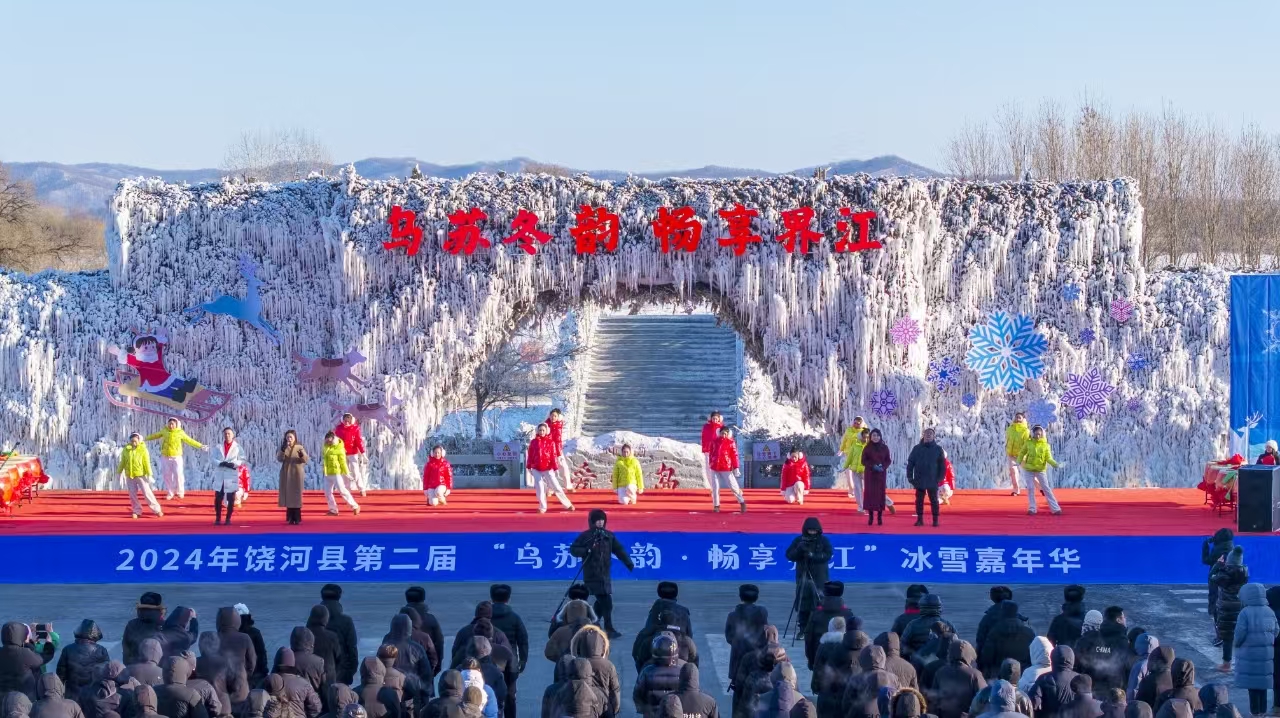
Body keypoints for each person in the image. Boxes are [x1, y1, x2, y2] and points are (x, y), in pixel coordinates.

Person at [569, 509, 634, 638]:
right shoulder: (586, 536)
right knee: (607, 602)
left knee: (601, 603)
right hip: (592, 575)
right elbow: (573, 549)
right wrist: (585, 550)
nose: (600, 522)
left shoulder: (608, 536)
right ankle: (608, 628)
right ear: (592, 522)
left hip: (605, 575)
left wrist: (628, 562)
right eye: (597, 520)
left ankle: (589, 625)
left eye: (602, 520)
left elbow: (619, 550)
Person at [1232, 583, 1278, 717]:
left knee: (1252, 687)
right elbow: (1276, 630)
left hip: (1249, 655)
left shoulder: (1244, 612)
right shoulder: (1269, 611)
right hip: (1266, 655)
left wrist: (1237, 644)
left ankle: (1255, 713)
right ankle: (1263, 712)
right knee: (1263, 685)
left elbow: (1240, 634)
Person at [785, 517, 832, 636]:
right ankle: (802, 629)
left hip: (819, 577)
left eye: (814, 531)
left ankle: (819, 628)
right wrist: (799, 551)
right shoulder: (799, 540)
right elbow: (789, 555)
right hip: (803, 576)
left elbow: (828, 554)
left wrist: (813, 556)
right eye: (810, 530)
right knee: (803, 603)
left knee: (819, 602)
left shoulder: (823, 541)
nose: (812, 533)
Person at [145, 417, 207, 501]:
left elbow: (189, 440)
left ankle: (180, 491)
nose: (171, 425)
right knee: (167, 475)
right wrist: (145, 438)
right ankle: (170, 492)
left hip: (176, 457)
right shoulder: (164, 431)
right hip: (165, 456)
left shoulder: (180, 432)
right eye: (169, 423)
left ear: (176, 424)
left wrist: (200, 446)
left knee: (178, 474)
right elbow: (155, 435)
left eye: (172, 424)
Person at [1210, 547, 1248, 669]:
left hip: (1226, 609)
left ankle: (1226, 664)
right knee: (1242, 635)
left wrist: (1218, 564)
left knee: (1227, 637)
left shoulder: (1224, 574)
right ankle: (1243, 663)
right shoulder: (1245, 572)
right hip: (1240, 606)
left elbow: (1212, 577)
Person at [527, 423, 574, 514]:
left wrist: (555, 468)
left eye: (543, 430)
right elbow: (530, 455)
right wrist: (529, 466)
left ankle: (567, 504)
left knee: (556, 487)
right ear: (537, 431)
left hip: (548, 468)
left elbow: (553, 456)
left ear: (546, 431)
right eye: (540, 430)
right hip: (536, 468)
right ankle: (542, 507)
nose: (541, 432)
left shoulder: (551, 442)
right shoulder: (533, 442)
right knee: (540, 488)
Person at [55, 620, 108, 698]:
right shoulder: (101, 650)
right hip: (94, 694)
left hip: (72, 693)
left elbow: (61, 673)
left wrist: (60, 693)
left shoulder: (68, 649)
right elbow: (107, 673)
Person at [1018, 425, 1063, 515]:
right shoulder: (1028, 443)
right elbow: (1022, 452)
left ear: (1042, 434)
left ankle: (1055, 509)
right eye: (1036, 434)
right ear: (1032, 434)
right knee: (1030, 488)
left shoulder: (1046, 445)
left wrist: (1055, 464)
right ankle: (1032, 508)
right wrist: (1018, 461)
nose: (1037, 436)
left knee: (1046, 488)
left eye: (1039, 434)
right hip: (1029, 469)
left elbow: (1048, 458)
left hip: (1040, 469)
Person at [905, 428, 946, 527]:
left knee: (934, 500)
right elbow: (910, 463)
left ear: (933, 436)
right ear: (923, 435)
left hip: (933, 479)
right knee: (919, 500)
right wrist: (910, 478)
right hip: (919, 479)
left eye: (930, 434)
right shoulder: (917, 449)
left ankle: (935, 520)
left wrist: (939, 478)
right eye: (926, 433)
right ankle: (919, 519)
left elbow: (942, 466)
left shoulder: (938, 449)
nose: (928, 435)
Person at [318, 586, 358, 685]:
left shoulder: (314, 620)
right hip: (341, 673)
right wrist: (350, 672)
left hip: (318, 673)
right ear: (339, 597)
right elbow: (352, 648)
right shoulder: (346, 621)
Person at [118, 434, 163, 519]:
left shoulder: (143, 450)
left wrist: (149, 474)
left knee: (147, 492)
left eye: (135, 441)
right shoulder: (126, 450)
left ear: (139, 441)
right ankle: (136, 510)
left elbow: (146, 463)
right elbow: (123, 462)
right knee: (132, 494)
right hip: (130, 475)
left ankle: (157, 510)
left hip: (141, 475)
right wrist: (119, 472)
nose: (133, 443)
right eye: (132, 441)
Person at [487, 585, 528, 675]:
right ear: (508, 599)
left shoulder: (485, 618)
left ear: (492, 598)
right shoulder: (515, 618)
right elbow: (523, 641)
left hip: (489, 660)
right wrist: (523, 660)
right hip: (510, 661)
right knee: (510, 687)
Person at [707, 426, 747, 514]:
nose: (723, 435)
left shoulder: (731, 442)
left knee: (733, 486)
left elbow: (734, 455)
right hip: (714, 467)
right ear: (719, 433)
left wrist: (736, 467)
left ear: (728, 434)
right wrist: (711, 462)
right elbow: (711, 453)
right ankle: (716, 505)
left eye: (725, 434)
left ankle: (742, 502)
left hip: (726, 467)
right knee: (715, 487)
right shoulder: (714, 442)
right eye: (722, 433)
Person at [320, 432, 361, 517]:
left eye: (329, 440)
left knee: (342, 490)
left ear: (333, 439)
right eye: (327, 440)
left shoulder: (339, 448)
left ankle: (355, 506)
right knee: (327, 492)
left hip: (336, 473)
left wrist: (347, 473)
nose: (328, 442)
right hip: (327, 473)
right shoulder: (325, 446)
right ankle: (333, 510)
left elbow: (343, 462)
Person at [1202, 529, 1235, 628]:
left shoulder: (1219, 549)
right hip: (1228, 579)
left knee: (1215, 598)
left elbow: (1206, 560)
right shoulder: (1231, 546)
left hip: (1217, 577)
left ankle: (1218, 626)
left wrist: (1205, 545)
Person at [213, 428, 245, 526]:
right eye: (225, 434)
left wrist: (234, 464)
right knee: (218, 496)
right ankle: (218, 518)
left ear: (233, 435)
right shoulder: (218, 447)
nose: (227, 435)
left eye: (229, 434)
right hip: (221, 473)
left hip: (231, 473)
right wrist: (220, 463)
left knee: (231, 497)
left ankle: (228, 518)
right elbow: (213, 458)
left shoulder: (238, 447)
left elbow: (242, 459)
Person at [277, 430, 309, 525]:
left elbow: (305, 459)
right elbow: (279, 459)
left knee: (296, 495)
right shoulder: (284, 448)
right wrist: (282, 451)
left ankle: (297, 517)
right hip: (286, 474)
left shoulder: (299, 447)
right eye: (287, 437)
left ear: (294, 438)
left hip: (296, 474)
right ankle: (290, 517)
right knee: (288, 495)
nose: (289, 439)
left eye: (291, 437)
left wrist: (301, 455)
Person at [861, 429, 892, 526]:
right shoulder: (867, 448)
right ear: (870, 437)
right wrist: (872, 465)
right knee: (870, 494)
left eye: (878, 435)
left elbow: (888, 460)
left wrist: (883, 467)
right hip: (870, 474)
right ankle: (870, 516)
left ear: (880, 437)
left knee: (880, 494)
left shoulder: (884, 448)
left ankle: (879, 516)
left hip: (881, 474)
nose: (876, 437)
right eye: (874, 435)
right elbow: (863, 461)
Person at [333, 413, 369, 497]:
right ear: (342, 420)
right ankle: (347, 490)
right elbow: (336, 441)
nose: (346, 423)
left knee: (355, 471)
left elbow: (358, 441)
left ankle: (361, 489)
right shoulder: (338, 429)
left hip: (353, 453)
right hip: (342, 454)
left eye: (348, 421)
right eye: (345, 421)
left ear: (351, 420)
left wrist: (363, 453)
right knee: (344, 472)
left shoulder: (355, 428)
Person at [837, 417, 868, 509]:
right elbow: (844, 440)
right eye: (855, 422)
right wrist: (841, 449)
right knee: (850, 476)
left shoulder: (865, 431)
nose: (856, 424)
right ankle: (852, 490)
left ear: (862, 423)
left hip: (862, 458)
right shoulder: (849, 430)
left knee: (866, 481)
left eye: (859, 423)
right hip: (850, 455)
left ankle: (867, 498)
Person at [545, 409, 575, 490]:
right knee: (549, 470)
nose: (553, 417)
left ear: (558, 417)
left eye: (555, 416)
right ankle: (550, 488)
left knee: (563, 468)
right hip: (548, 450)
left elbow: (558, 440)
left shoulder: (559, 425)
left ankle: (568, 486)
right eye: (552, 415)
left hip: (557, 450)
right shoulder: (546, 425)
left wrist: (558, 451)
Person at [1005, 413, 1029, 496]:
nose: (1017, 419)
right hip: (1011, 454)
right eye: (1016, 417)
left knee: (1030, 472)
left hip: (1021, 455)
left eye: (1019, 417)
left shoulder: (1025, 430)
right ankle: (1016, 490)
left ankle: (1041, 488)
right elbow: (1007, 439)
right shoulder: (1010, 428)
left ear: (1023, 419)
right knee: (1013, 472)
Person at [700, 412, 724, 487]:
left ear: (719, 419)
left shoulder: (721, 427)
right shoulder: (706, 427)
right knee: (708, 468)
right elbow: (703, 437)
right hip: (708, 450)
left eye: (716, 419)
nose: (715, 420)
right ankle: (711, 486)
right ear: (711, 418)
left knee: (717, 469)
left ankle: (716, 485)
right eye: (713, 418)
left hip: (717, 451)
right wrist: (704, 448)